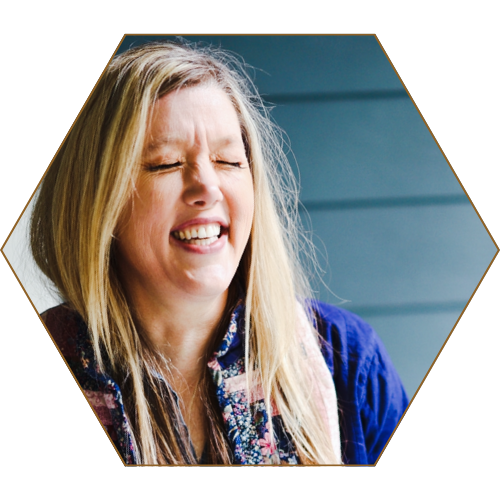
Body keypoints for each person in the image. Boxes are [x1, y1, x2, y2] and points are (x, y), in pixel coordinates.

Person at [32, 40, 408, 465]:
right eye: (165, 163)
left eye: (228, 161)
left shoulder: (349, 359)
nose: (207, 188)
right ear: (96, 201)